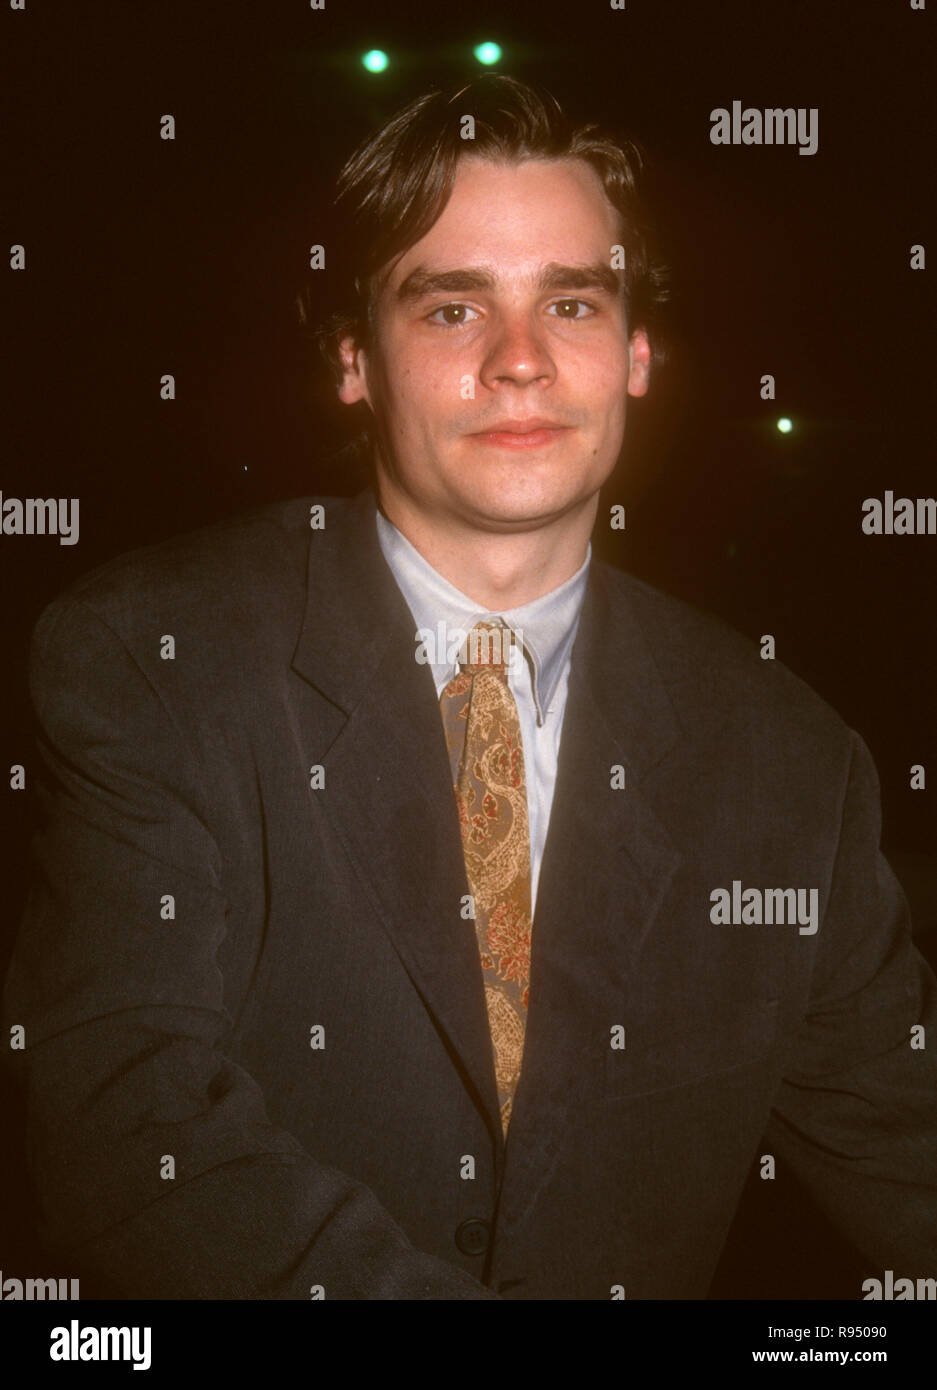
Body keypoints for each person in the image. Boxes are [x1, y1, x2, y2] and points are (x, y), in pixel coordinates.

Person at [2, 74, 935, 1301]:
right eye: (450, 308)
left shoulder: (786, 759)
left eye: (572, 302)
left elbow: (903, 1145)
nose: (520, 362)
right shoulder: (154, 656)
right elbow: (122, 1123)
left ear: (636, 353)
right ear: (352, 360)